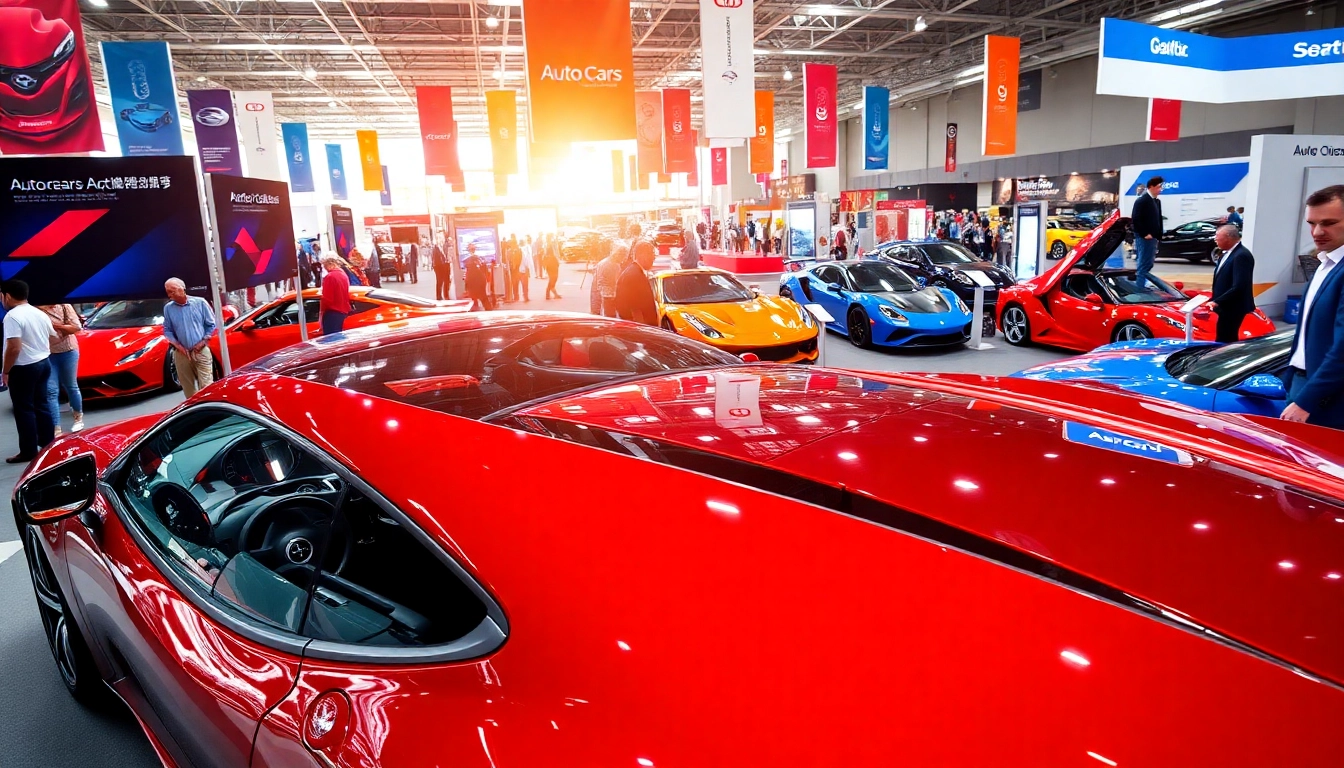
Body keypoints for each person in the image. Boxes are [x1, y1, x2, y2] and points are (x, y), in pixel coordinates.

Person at [1283, 185, 1344, 429]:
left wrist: (1307, 400)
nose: (1317, 232)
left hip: (1328, 399)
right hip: (1303, 384)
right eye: (1312, 223)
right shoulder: (1325, 263)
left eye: (1329, 223)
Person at [2, 280, 54, 463]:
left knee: (24, 409)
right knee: (41, 405)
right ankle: (49, 445)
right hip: (43, 362)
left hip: (24, 367)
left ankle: (28, 450)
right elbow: (51, 335)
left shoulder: (12, 316)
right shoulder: (38, 312)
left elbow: (14, 347)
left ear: (7, 296)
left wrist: (5, 371)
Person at [162, 277, 217, 399]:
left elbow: (212, 324)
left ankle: (208, 407)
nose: (170, 294)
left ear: (182, 289)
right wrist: (178, 346)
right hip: (181, 353)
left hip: (201, 350)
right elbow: (167, 330)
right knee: (188, 388)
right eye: (168, 291)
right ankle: (195, 409)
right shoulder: (168, 308)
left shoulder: (200, 302)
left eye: (172, 290)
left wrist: (203, 342)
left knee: (207, 386)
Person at [1206, 225, 1255, 344]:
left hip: (1233, 306)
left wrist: (1217, 301)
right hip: (1225, 306)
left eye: (1217, 236)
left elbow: (1239, 285)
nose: (1215, 239)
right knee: (1224, 335)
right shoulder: (1227, 253)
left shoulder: (1241, 255)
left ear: (1228, 237)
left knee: (1226, 338)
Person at [39, 302, 83, 435]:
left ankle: (78, 417)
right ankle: (56, 428)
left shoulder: (64, 306)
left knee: (71, 386)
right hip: (48, 353)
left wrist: (55, 326)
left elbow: (76, 327)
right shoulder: (36, 309)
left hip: (68, 350)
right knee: (51, 391)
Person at [1131, 175, 1165, 290]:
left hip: (1153, 237)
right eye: (1159, 187)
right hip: (1145, 238)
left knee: (1149, 263)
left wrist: (1159, 234)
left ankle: (1142, 285)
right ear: (1151, 187)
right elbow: (1136, 219)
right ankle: (1139, 288)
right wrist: (1145, 233)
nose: (1160, 189)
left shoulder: (1156, 201)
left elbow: (1158, 219)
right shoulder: (1142, 201)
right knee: (1143, 263)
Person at [616, 245, 659, 325]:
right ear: (642, 255)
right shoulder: (634, 275)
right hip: (640, 328)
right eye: (652, 254)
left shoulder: (635, 272)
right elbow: (631, 309)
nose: (653, 258)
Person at [319, 255, 352, 335]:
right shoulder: (343, 274)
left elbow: (327, 299)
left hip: (332, 313)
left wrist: (321, 312)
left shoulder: (330, 277)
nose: (325, 269)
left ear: (330, 264)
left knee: (330, 338)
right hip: (343, 311)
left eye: (325, 266)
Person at [595, 247, 628, 316]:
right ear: (619, 255)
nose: (623, 261)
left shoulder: (605, 262)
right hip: (609, 294)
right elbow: (614, 282)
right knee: (610, 315)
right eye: (623, 258)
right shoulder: (613, 265)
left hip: (603, 292)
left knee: (606, 313)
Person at [463, 243, 492, 311]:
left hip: (474, 280)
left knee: (475, 296)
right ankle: (488, 308)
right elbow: (484, 269)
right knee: (482, 295)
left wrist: (466, 283)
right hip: (480, 279)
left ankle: (477, 309)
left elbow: (467, 273)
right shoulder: (480, 258)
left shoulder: (468, 260)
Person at [542, 234, 562, 300]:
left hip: (553, 263)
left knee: (554, 278)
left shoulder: (550, 245)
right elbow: (548, 254)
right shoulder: (548, 245)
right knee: (553, 278)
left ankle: (553, 293)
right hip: (551, 263)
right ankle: (550, 293)